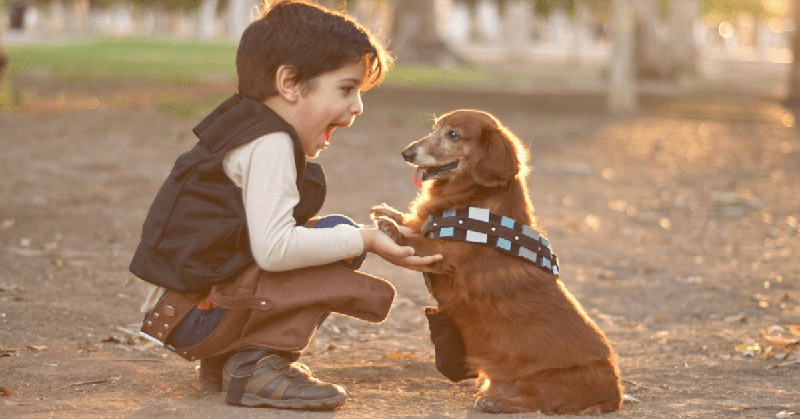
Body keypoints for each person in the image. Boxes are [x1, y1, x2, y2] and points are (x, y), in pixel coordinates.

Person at [128, 0, 441, 411]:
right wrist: (364, 239)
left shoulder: (247, 125)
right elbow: (273, 250)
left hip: (185, 310)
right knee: (338, 237)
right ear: (290, 83)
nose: (357, 106)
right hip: (192, 318)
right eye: (347, 89)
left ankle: (228, 360)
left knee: (332, 232)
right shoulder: (270, 144)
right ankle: (254, 366)